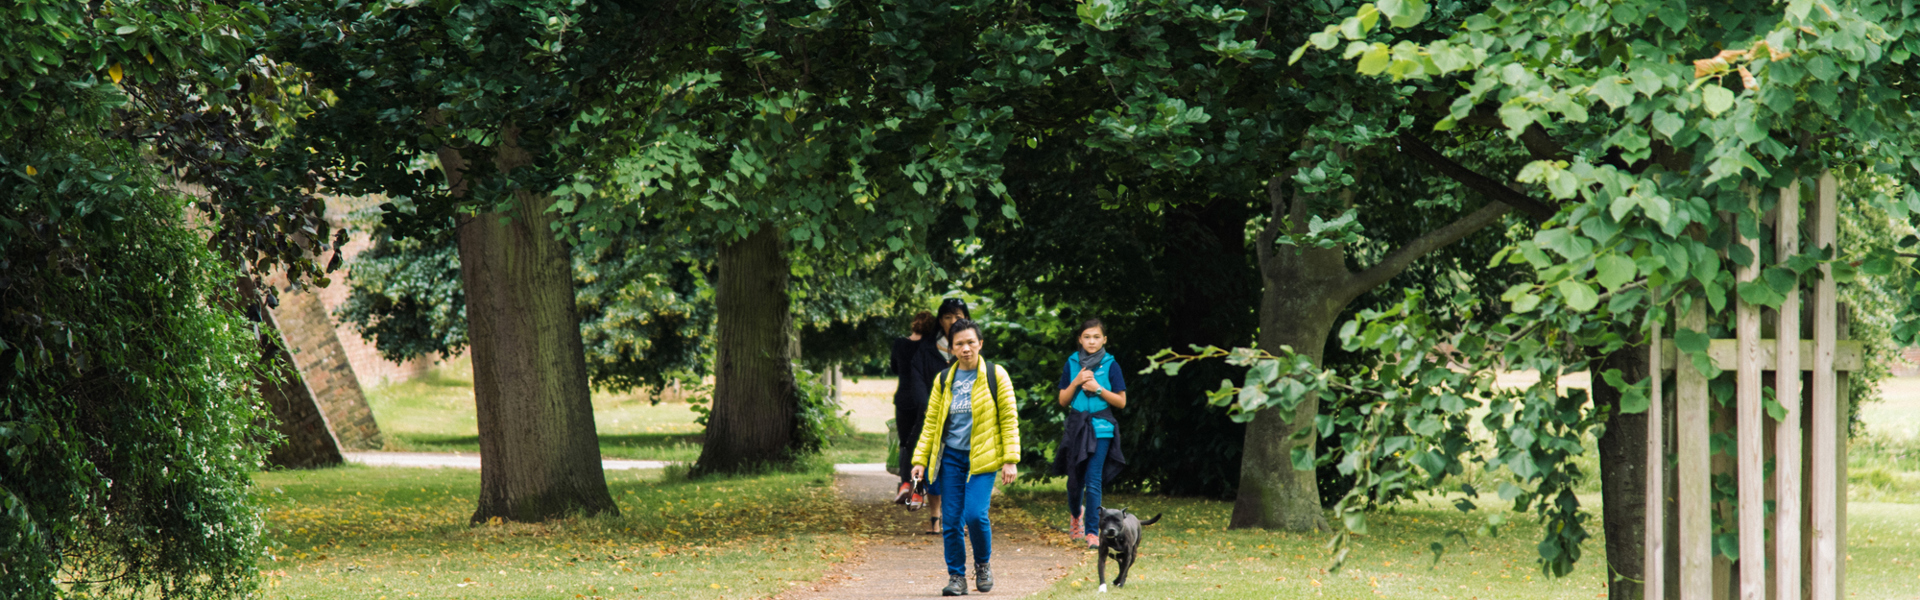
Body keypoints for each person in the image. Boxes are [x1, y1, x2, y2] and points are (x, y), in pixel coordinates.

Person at [910, 319, 1020, 596]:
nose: (966, 348)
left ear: (980, 344)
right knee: (952, 520)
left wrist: (1010, 459)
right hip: (951, 459)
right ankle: (956, 577)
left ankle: (982, 565)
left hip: (982, 459)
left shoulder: (996, 375)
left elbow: (1008, 419)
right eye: (959, 343)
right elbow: (932, 423)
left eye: (971, 342)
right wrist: (920, 460)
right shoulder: (944, 379)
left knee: (975, 515)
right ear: (951, 348)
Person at [1049, 318, 1128, 549]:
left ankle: (1093, 532)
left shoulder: (1111, 364)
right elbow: (1063, 400)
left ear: (1104, 339)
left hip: (1102, 427)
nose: (1091, 341)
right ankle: (1076, 516)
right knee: (1074, 483)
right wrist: (1076, 382)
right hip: (1076, 427)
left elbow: (1121, 402)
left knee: (1093, 480)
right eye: (1086, 337)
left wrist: (1098, 389)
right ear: (1080, 339)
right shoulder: (1072, 362)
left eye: (1096, 337)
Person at [889, 311, 940, 505]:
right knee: (921, 445)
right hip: (924, 400)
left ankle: (904, 484)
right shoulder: (929, 347)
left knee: (905, 444)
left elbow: (894, 368)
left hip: (902, 399)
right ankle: (917, 491)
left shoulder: (899, 343)